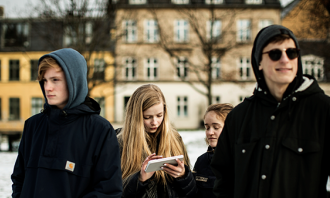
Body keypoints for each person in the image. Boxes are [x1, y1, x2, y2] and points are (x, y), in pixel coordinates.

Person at [210, 24, 330, 198]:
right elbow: (223, 180)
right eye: (275, 54)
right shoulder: (239, 117)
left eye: (291, 53)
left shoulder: (323, 110)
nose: (285, 59)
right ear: (259, 62)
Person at [11, 48, 122, 198]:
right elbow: (19, 180)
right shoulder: (33, 125)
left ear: (74, 81)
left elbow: (108, 191)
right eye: (45, 80)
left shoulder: (100, 130)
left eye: (55, 80)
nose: (48, 87)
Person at [117, 84, 197, 197]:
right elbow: (112, 191)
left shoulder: (175, 139)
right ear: (135, 116)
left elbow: (192, 193)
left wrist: (183, 176)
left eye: (159, 115)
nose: (154, 122)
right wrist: (140, 179)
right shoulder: (120, 143)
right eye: (147, 117)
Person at [193, 103, 233, 198]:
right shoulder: (201, 161)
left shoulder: (241, 162)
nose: (210, 132)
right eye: (207, 128)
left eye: (216, 127)